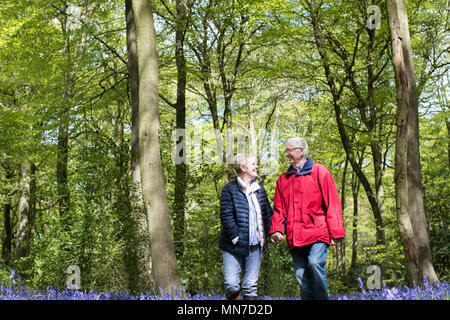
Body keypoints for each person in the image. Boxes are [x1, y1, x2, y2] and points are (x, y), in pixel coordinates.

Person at [269, 137, 345, 300]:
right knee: (301, 276)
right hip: (294, 235)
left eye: (289, 150)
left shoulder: (320, 172)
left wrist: (335, 232)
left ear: (301, 150)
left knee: (315, 263)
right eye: (286, 151)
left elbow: (332, 203)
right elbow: (279, 208)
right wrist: (276, 229)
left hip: (318, 231)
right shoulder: (283, 180)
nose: (286, 154)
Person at [219, 153, 273, 300]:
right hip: (233, 245)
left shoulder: (260, 189)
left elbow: (268, 214)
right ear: (243, 168)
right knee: (231, 285)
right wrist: (236, 237)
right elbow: (226, 216)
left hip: (255, 246)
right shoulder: (229, 189)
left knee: (250, 287)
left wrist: (273, 232)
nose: (257, 166)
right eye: (253, 164)